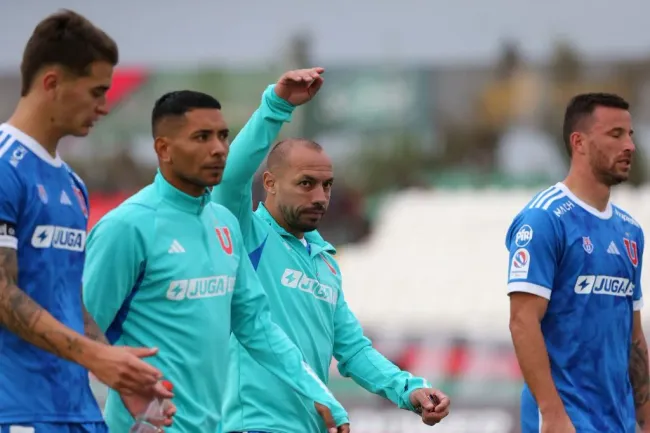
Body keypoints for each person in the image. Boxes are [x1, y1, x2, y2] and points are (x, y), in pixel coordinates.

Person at [82, 89, 350, 433]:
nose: (218, 149)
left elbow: (257, 326)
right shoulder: (127, 226)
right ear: (163, 148)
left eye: (223, 136)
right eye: (201, 137)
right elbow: (79, 338)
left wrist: (320, 394)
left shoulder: (224, 224)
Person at [212, 68, 451, 433]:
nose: (321, 197)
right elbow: (230, 177)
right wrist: (276, 105)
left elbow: (353, 352)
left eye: (326, 185)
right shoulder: (246, 234)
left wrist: (410, 389)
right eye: (306, 184)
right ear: (270, 184)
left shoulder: (324, 262)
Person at [0, 10, 174, 433]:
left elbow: (65, 298)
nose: (104, 107)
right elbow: (2, 292)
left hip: (77, 411)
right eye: (97, 91)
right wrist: (95, 357)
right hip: (16, 411)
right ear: (52, 83)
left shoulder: (72, 184)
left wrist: (117, 372)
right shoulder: (5, 164)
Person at [506, 93, 650, 433]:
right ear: (579, 142)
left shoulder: (630, 231)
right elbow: (522, 321)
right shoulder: (544, 219)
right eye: (615, 134)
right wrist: (553, 415)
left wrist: (644, 420)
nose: (629, 145)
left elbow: (634, 336)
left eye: (629, 135)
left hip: (619, 422)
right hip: (567, 422)